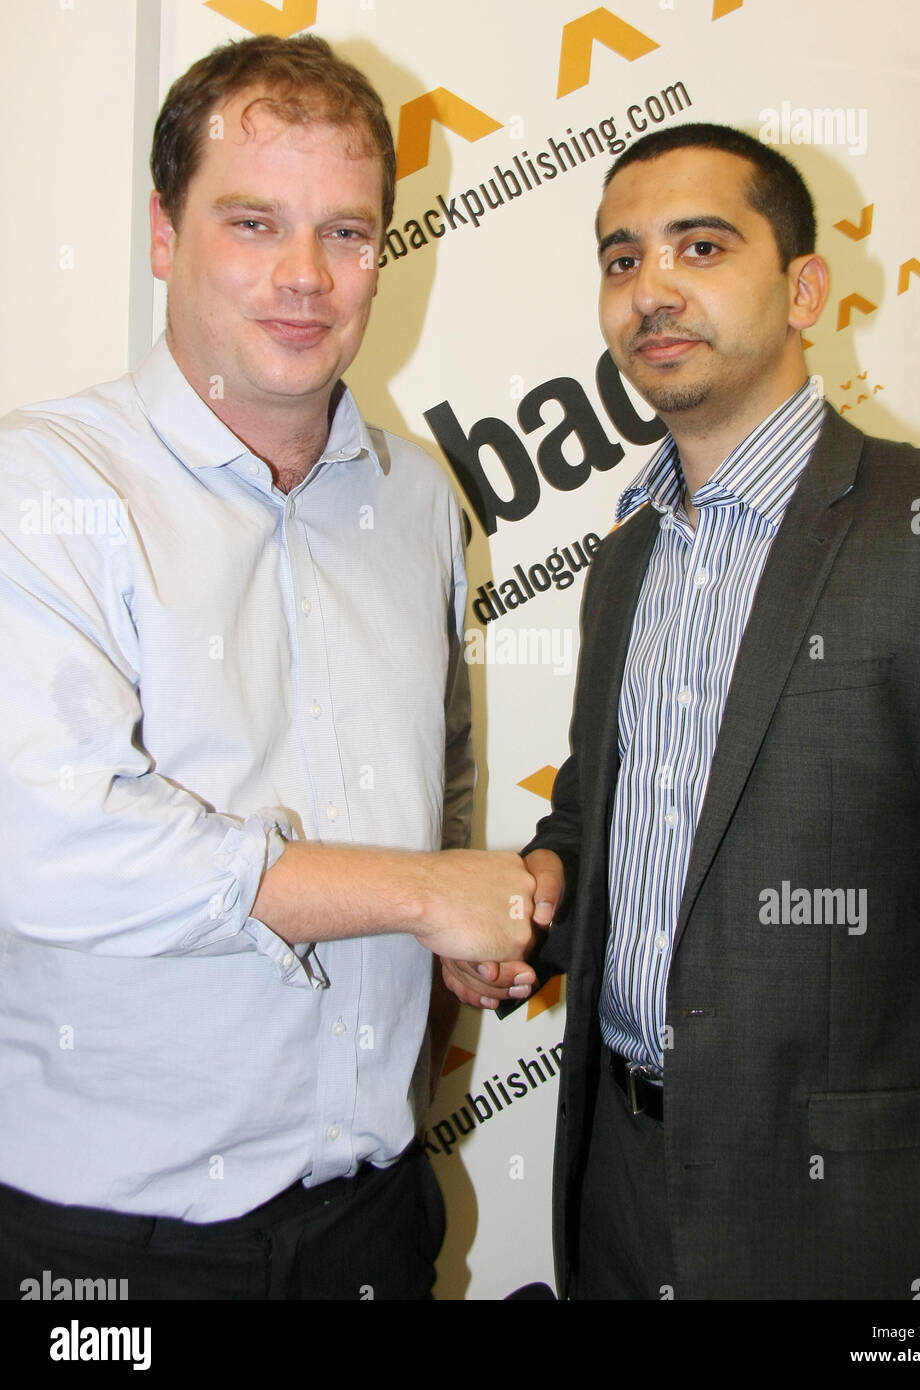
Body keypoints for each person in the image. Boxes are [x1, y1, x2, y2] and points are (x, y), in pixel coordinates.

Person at [445, 123, 920, 1299]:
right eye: (621, 259)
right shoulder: (623, 559)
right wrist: (536, 901)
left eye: (700, 246)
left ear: (804, 287)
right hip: (620, 1184)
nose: (652, 289)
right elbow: (597, 818)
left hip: (861, 1229)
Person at [0, 34, 537, 1301]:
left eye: (347, 233)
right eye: (253, 223)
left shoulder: (417, 503)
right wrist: (415, 894)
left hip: (373, 1223)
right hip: (106, 1256)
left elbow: (434, 791)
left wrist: (448, 934)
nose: (304, 279)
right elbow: (49, 843)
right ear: (161, 233)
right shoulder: (47, 485)